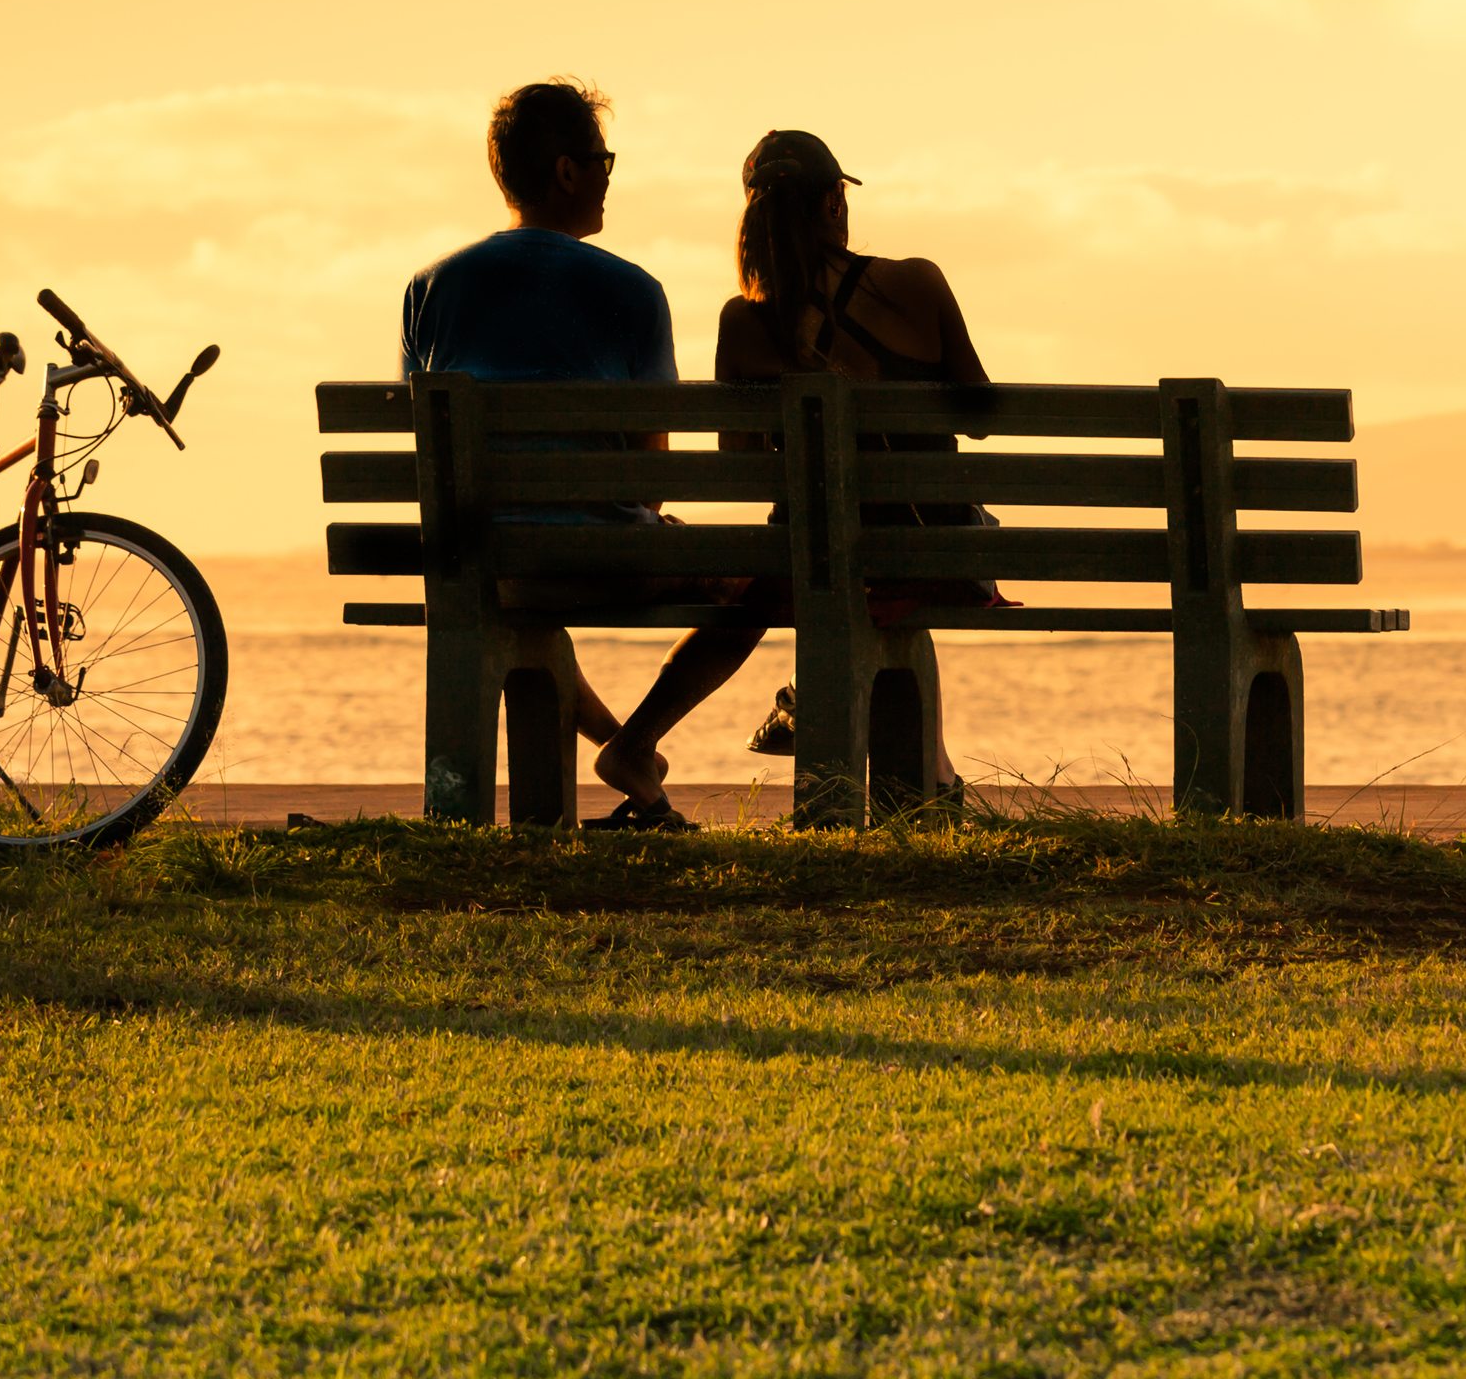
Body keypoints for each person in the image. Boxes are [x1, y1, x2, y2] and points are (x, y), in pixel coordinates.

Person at [400, 76, 750, 829]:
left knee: (532, 609)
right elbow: (652, 476)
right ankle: (635, 743)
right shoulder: (631, 289)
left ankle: (626, 750)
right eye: (603, 160)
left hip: (479, 564)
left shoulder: (429, 288)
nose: (606, 178)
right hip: (600, 560)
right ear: (566, 170)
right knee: (758, 578)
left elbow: (430, 450)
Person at [715, 127, 1011, 789]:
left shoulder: (742, 321)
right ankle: (932, 782)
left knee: (831, 561)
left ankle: (823, 706)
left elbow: (737, 462)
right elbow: (982, 415)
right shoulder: (917, 283)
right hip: (936, 557)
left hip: (805, 563)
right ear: (831, 205)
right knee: (888, 567)